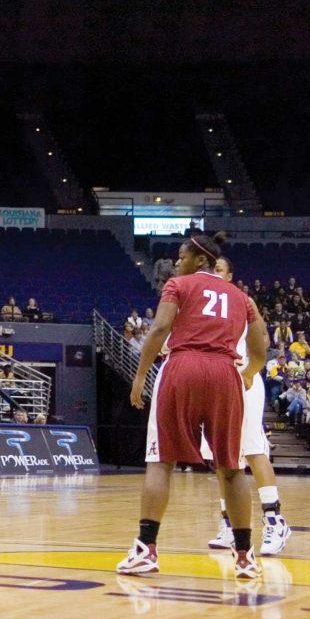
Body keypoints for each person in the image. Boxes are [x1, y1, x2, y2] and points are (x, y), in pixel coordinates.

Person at [120, 233, 268, 579]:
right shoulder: (242, 298)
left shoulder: (178, 285)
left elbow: (158, 329)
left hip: (182, 367)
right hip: (224, 373)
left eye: (181, 257)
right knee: (232, 468)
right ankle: (245, 556)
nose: (176, 263)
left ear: (199, 260)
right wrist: (248, 373)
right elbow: (261, 345)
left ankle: (146, 550)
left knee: (160, 462)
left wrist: (141, 376)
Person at [201, 257, 290, 557]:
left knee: (252, 450)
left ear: (230, 275)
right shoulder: (201, 303)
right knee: (220, 455)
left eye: (220, 270)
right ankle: (230, 525)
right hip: (215, 383)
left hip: (244, 380)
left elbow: (263, 338)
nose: (214, 274)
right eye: (211, 269)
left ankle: (275, 521)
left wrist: (250, 371)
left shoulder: (243, 300)